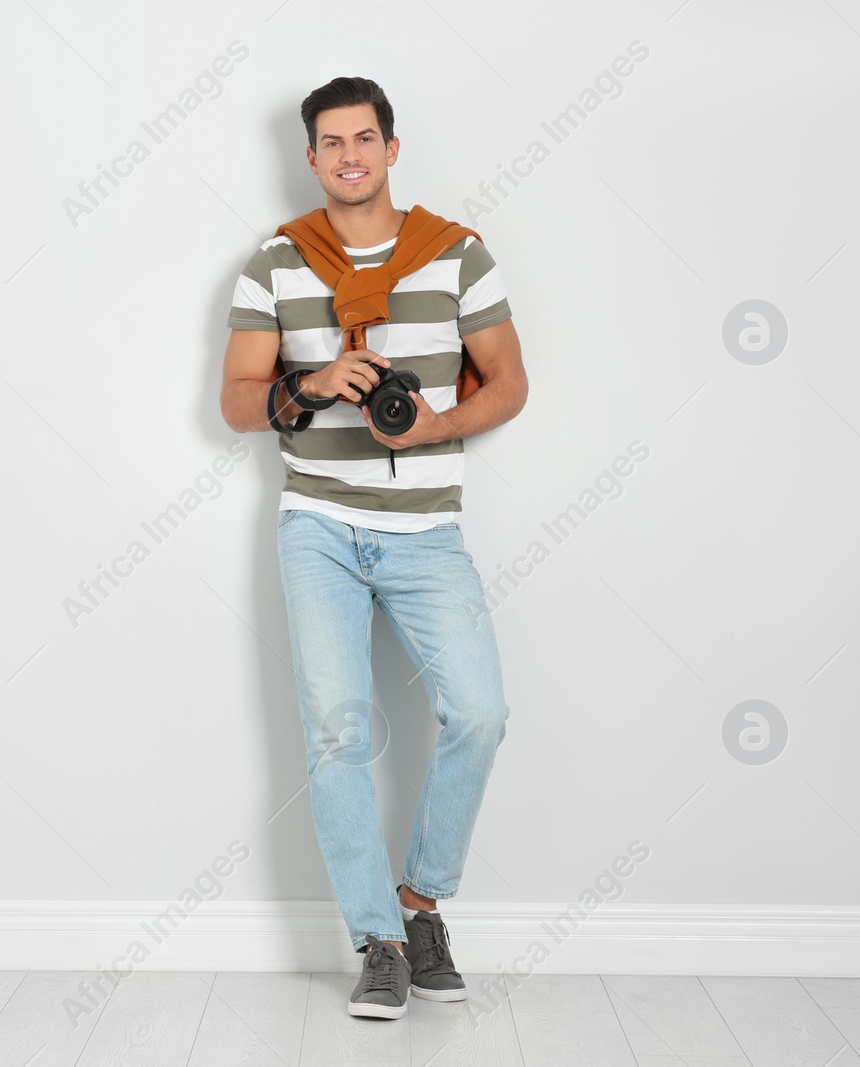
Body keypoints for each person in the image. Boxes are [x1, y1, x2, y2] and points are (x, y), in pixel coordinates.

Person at [219, 76, 527, 1019]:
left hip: (428, 531)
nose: (349, 156)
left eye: (365, 139)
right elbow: (237, 403)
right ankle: (378, 940)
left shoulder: (459, 256)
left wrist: (432, 428)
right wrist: (311, 384)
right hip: (318, 525)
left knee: (480, 712)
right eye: (331, 143)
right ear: (310, 159)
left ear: (393, 148)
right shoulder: (275, 262)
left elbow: (509, 383)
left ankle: (420, 900)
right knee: (339, 732)